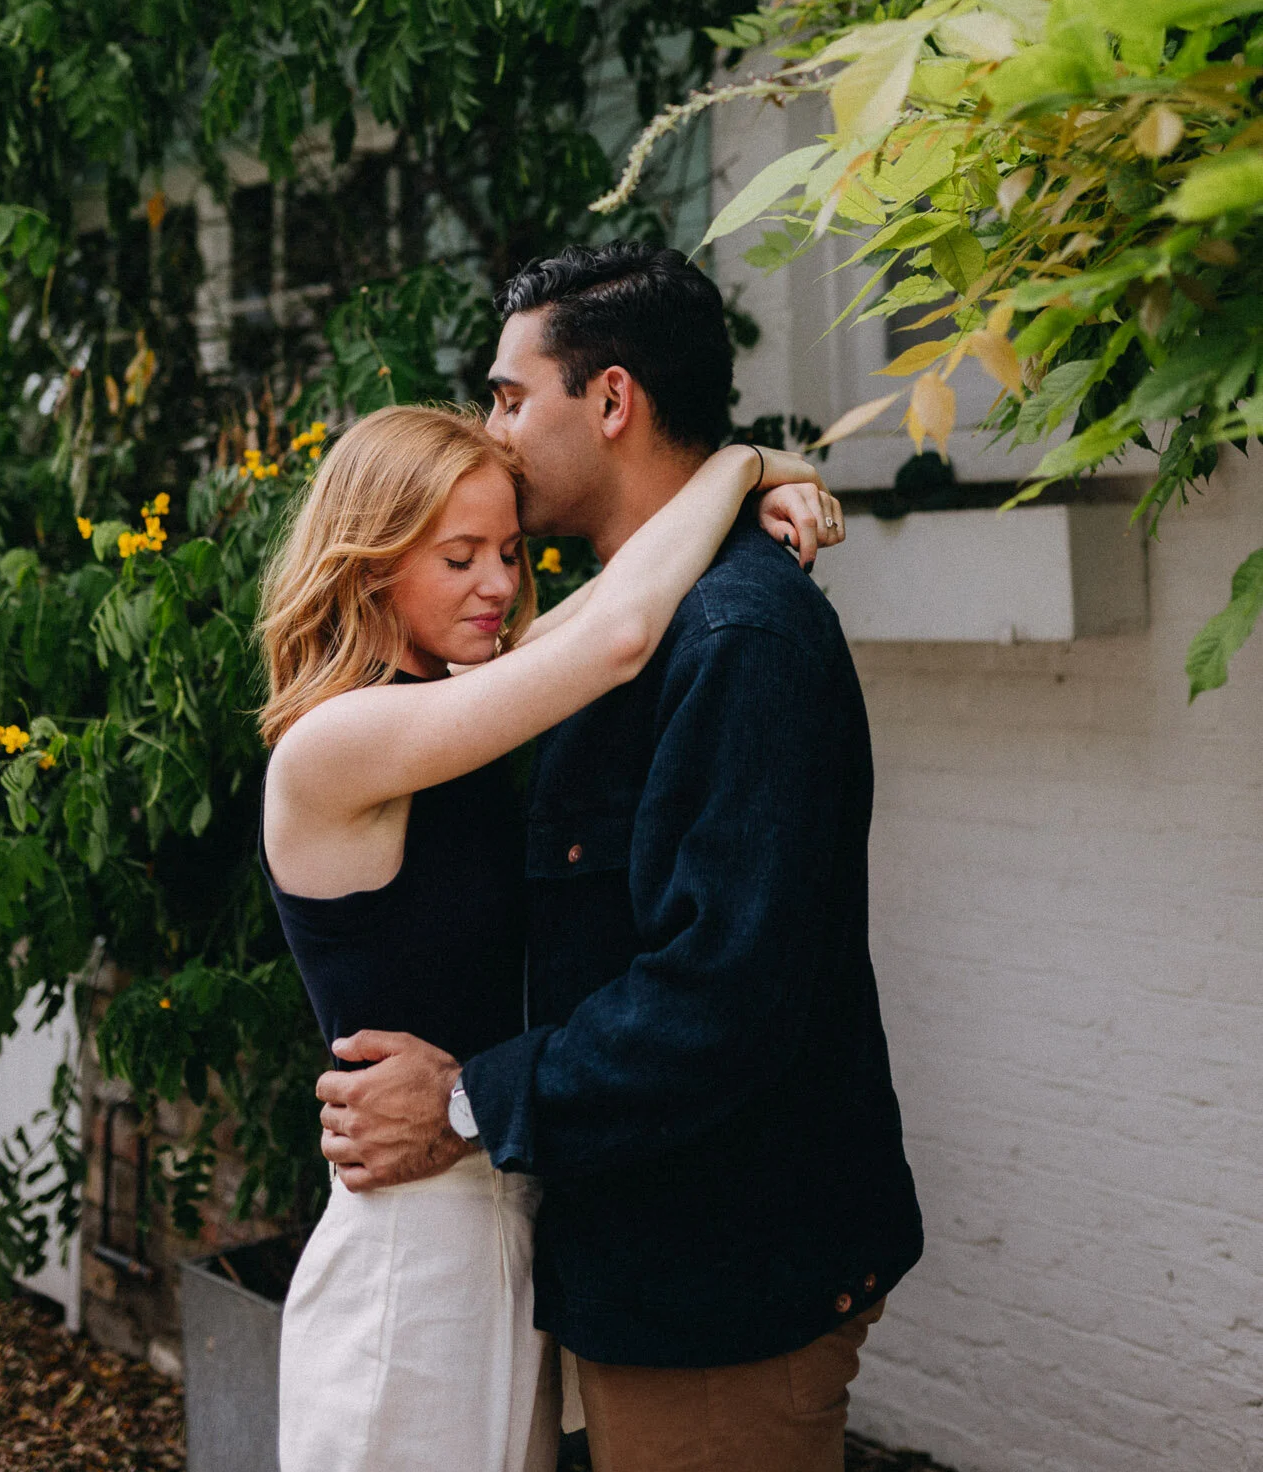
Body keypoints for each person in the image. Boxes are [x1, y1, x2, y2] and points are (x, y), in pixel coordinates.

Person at [316, 243, 924, 1472]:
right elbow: (610, 626)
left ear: (609, 401)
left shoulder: (734, 633)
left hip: (721, 1275)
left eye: (508, 393)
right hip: (633, 1251)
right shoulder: (618, 626)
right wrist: (753, 472)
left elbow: (719, 993)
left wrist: (463, 1098)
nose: (492, 423)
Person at [258, 394, 836, 1472]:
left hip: (497, 1210)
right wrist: (746, 458)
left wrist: (758, 487)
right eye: (459, 555)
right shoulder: (337, 743)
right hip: (412, 1251)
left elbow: (622, 597)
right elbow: (618, 633)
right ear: (369, 562)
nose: (498, 584)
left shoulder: (456, 688)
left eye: (512, 552)